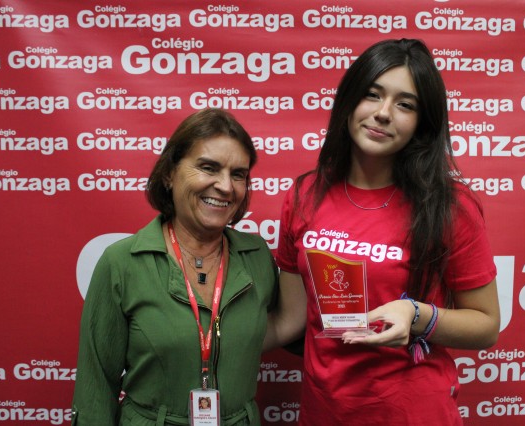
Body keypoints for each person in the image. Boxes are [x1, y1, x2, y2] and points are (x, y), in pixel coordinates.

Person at [271, 38, 500, 425]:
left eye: (405, 104)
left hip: (412, 412)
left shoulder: (449, 205)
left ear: (422, 122)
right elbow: (291, 319)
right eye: (372, 95)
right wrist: (202, 343)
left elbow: (486, 326)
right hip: (324, 412)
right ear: (349, 100)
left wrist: (416, 314)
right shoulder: (304, 194)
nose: (382, 113)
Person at [72, 108, 289, 425]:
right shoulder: (121, 262)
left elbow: (284, 322)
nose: (226, 186)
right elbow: (96, 388)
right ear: (169, 173)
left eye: (238, 174)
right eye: (208, 167)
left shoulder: (257, 256)